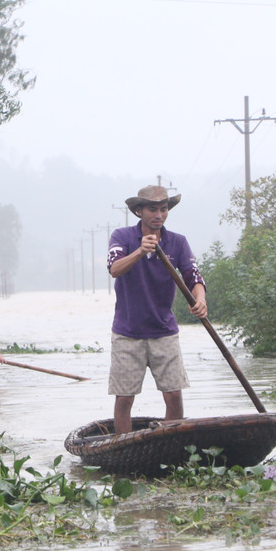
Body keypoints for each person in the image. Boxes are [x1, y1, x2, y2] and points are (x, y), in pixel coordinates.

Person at [107, 185, 207, 434]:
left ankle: (170, 444)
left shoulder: (178, 243)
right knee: (124, 398)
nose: (159, 215)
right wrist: (140, 251)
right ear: (139, 211)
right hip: (127, 332)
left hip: (164, 331)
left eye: (163, 209)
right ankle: (123, 447)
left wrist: (200, 299)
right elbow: (114, 269)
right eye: (153, 209)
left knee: (174, 395)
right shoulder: (122, 237)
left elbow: (193, 277)